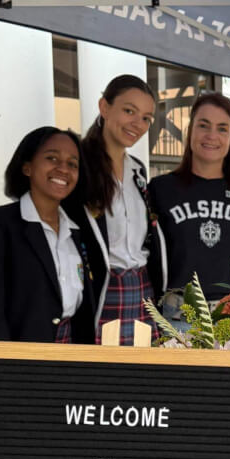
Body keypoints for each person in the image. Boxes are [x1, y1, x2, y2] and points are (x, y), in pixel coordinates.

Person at [0, 126, 99, 408]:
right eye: (52, 158)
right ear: (26, 167)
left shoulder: (79, 231)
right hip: (16, 377)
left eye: (72, 164)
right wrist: (9, 384)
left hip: (70, 370)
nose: (63, 169)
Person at [66, 74, 166, 345]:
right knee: (100, 370)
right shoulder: (77, 166)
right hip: (100, 291)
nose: (138, 124)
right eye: (129, 111)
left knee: (145, 370)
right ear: (104, 107)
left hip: (143, 291)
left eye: (146, 118)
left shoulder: (138, 171)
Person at [148, 91, 230, 319]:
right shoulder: (161, 189)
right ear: (190, 130)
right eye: (203, 125)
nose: (212, 135)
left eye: (222, 129)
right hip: (177, 314)